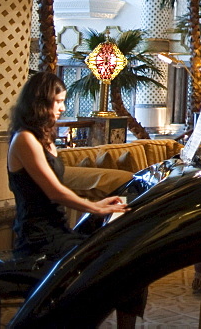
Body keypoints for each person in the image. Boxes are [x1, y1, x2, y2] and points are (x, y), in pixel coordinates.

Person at [8, 72, 144, 326]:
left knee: (131, 260)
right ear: (39, 103)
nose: (62, 107)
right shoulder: (24, 139)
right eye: (57, 102)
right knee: (117, 268)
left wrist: (100, 205)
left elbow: (60, 186)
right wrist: (96, 207)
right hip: (38, 238)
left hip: (57, 230)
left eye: (63, 101)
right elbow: (54, 192)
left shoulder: (45, 139)